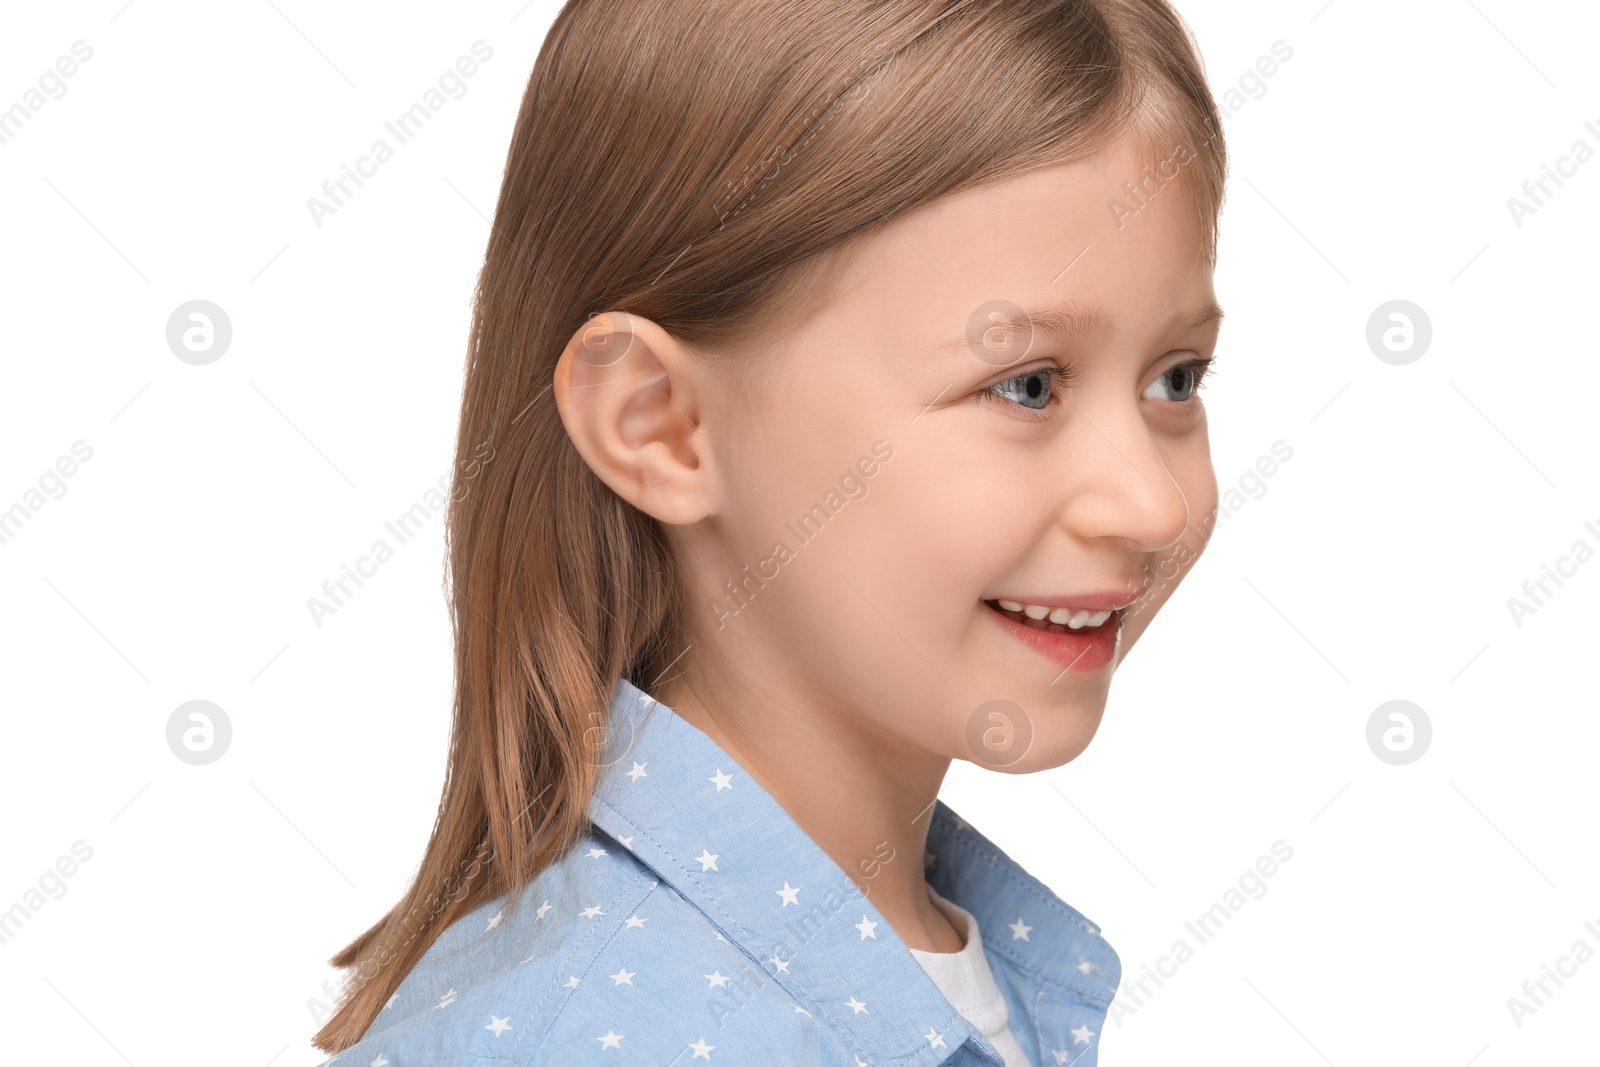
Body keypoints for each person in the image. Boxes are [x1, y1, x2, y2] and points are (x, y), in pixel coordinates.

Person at [312, 0, 1228, 1062]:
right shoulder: (591, 1035)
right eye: (1025, 384)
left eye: (1176, 378)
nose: (1152, 504)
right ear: (660, 424)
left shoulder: (949, 966)